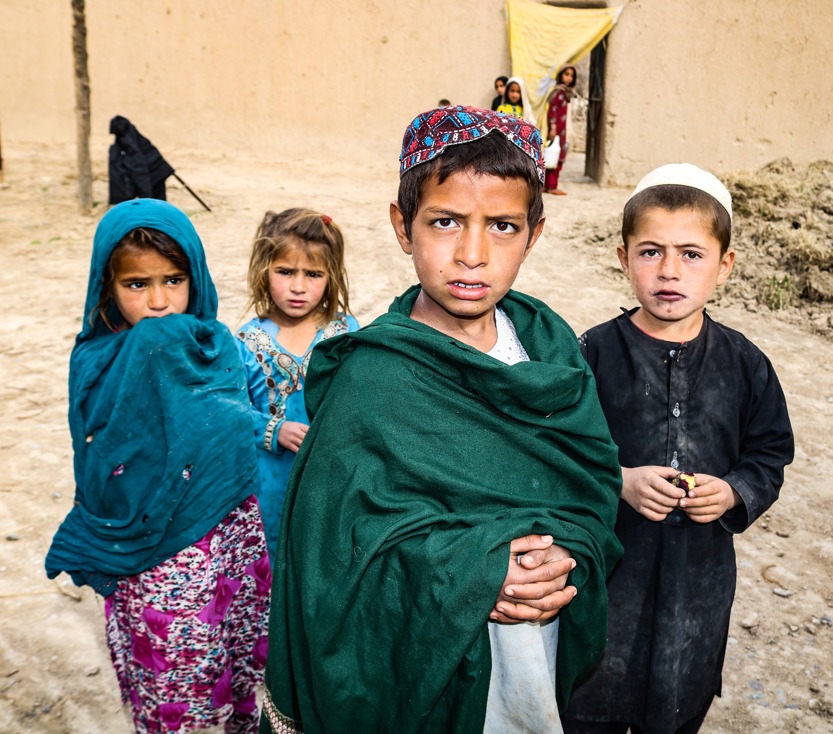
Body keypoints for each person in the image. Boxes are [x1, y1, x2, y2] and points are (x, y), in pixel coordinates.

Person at [261, 106, 624, 734]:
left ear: (534, 234)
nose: (472, 254)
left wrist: (565, 558)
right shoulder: (371, 378)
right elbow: (333, 550)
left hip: (532, 650)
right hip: (422, 666)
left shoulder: (550, 350)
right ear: (404, 227)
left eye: (503, 225)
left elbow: (590, 486)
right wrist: (474, 573)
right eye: (446, 221)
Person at [562, 164, 795, 734]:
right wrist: (617, 479)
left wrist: (734, 492)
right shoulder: (588, 354)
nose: (669, 271)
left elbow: (768, 454)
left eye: (691, 254)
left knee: (678, 699)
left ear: (726, 264)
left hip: (699, 585)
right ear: (622, 258)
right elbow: (556, 450)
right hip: (609, 578)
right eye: (650, 252)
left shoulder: (746, 365)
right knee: (589, 699)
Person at [45, 199, 270, 734]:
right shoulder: (99, 360)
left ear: (196, 275)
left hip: (226, 542)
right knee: (177, 690)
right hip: (155, 561)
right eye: (137, 285)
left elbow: (235, 435)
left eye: (173, 279)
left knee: (235, 671)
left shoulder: (218, 348)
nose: (159, 302)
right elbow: (101, 457)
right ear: (107, 286)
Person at [235, 208, 359, 558]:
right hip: (269, 484)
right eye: (285, 271)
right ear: (264, 269)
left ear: (331, 275)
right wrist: (274, 429)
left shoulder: (345, 332)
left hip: (332, 480)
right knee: (273, 559)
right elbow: (231, 413)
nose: (299, 286)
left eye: (313, 274)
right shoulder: (245, 342)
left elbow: (365, 401)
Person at [544, 64, 579, 196]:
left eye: (571, 76)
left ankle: (548, 185)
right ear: (560, 75)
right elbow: (552, 110)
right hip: (557, 130)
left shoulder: (566, 92)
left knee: (555, 155)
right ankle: (552, 186)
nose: (569, 78)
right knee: (555, 155)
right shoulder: (558, 92)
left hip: (562, 130)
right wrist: (552, 127)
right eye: (566, 74)